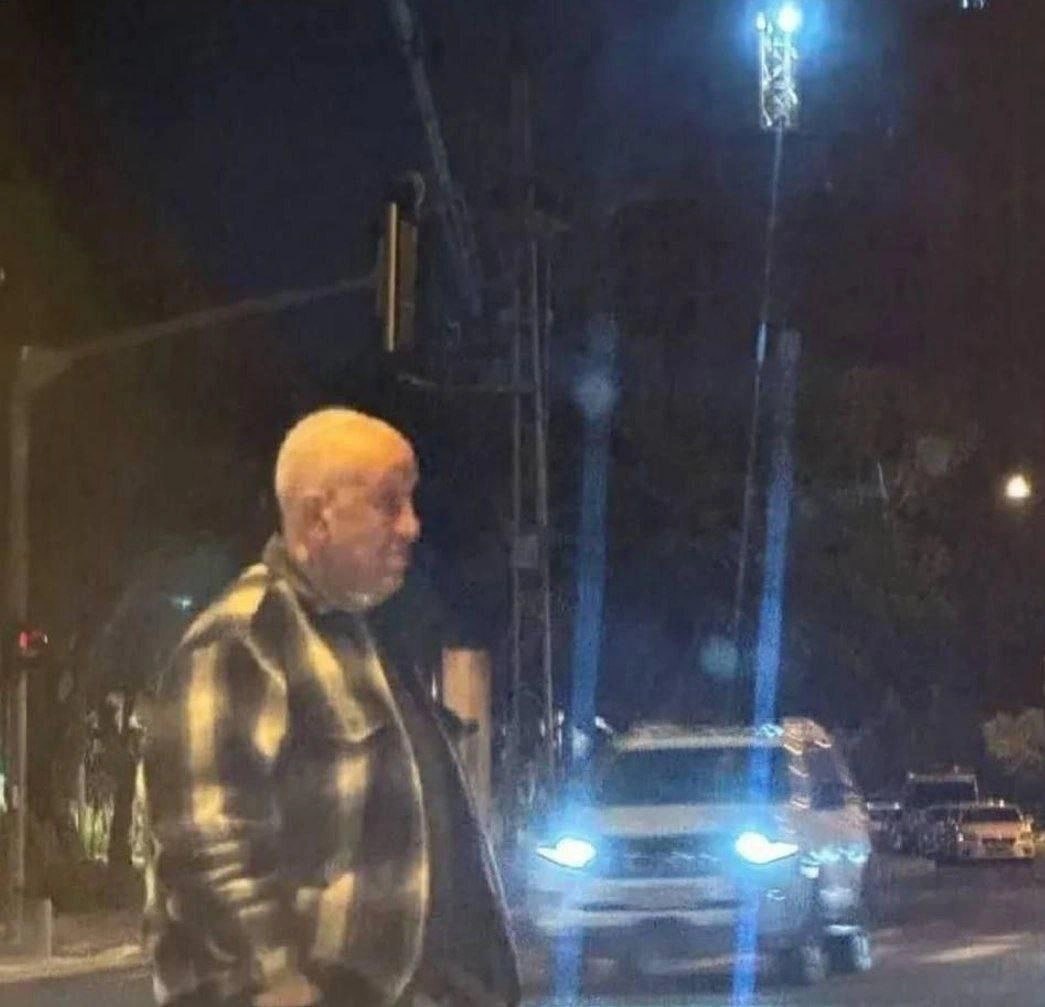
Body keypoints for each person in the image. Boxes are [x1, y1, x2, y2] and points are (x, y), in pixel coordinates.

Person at [144, 408, 519, 1007]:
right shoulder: (245, 638)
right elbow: (207, 847)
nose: (412, 526)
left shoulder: (363, 640)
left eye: (411, 503)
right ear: (318, 518)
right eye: (389, 504)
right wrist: (282, 989)